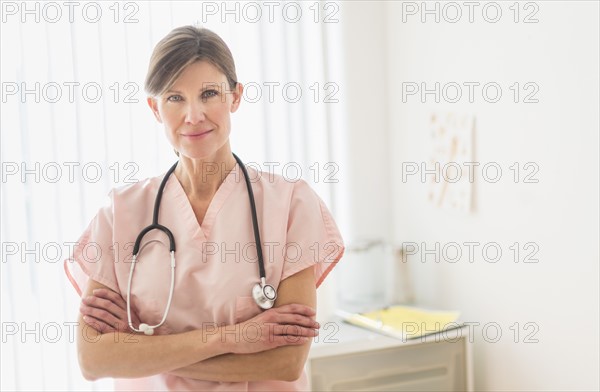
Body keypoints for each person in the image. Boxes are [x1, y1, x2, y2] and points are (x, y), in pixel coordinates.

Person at [64, 25, 345, 391]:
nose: (193, 115)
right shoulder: (120, 213)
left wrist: (150, 354)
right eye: (174, 98)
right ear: (155, 108)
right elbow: (94, 360)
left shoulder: (289, 203)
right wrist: (234, 339)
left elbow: (286, 361)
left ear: (235, 97)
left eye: (208, 93)